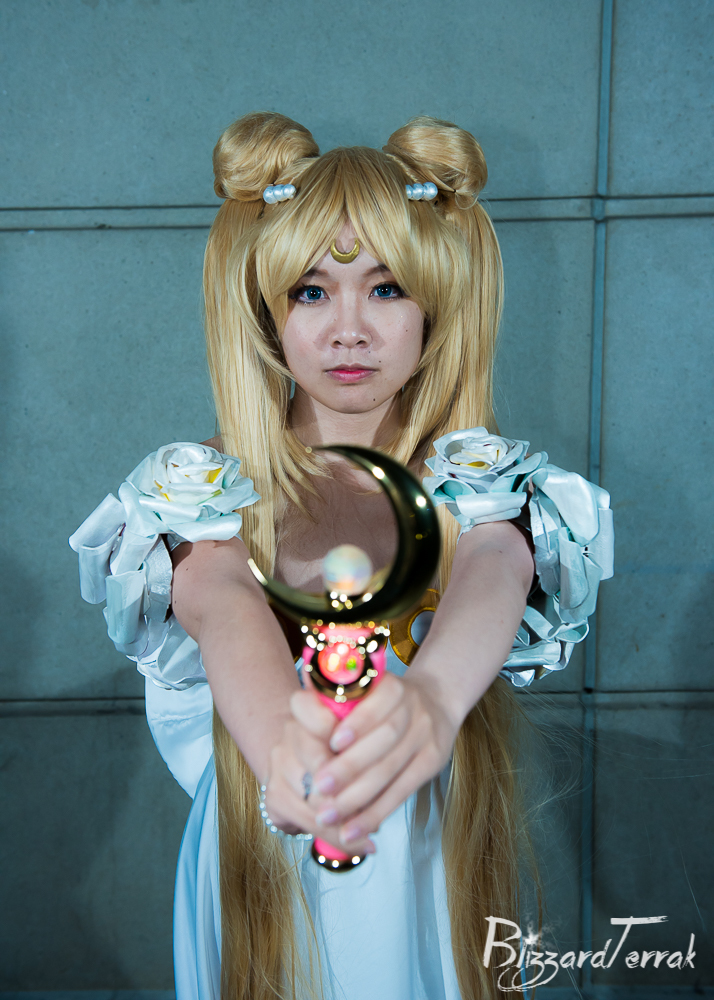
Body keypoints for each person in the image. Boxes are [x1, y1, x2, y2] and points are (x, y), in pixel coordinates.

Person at [69, 112, 613, 1000]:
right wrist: (281, 738)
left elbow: (497, 568)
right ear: (265, 307)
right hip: (262, 856)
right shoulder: (199, 493)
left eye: (386, 288)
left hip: (432, 853)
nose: (348, 330)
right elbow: (219, 603)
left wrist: (433, 699)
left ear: (438, 299)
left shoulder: (481, 489)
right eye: (312, 292)